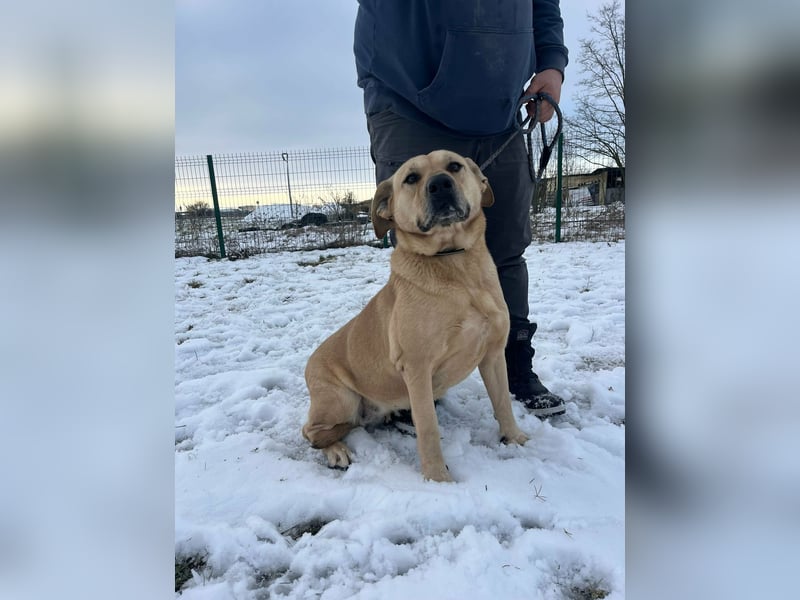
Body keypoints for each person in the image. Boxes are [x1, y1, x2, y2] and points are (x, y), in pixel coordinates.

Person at [354, 0, 569, 418]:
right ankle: (409, 378)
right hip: (405, 98)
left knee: (505, 248)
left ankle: (514, 362)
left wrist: (551, 62)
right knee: (420, 250)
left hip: (501, 105)